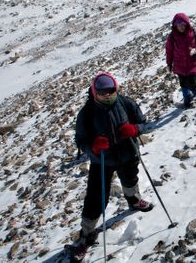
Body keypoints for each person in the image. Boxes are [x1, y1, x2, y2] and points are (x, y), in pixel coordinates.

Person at [71, 72, 153, 260]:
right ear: (94, 92)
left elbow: (142, 122)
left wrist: (134, 129)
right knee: (96, 197)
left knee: (131, 179)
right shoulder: (87, 112)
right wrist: (93, 146)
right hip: (101, 160)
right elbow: (80, 140)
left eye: (110, 91)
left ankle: (134, 200)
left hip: (127, 153)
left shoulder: (126, 103)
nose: (107, 95)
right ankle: (86, 234)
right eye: (101, 93)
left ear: (116, 88)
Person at [166, 13, 196, 108]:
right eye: (178, 24)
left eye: (183, 24)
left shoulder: (194, 32)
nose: (181, 27)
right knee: (183, 84)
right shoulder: (172, 37)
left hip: (192, 64)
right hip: (179, 66)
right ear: (175, 25)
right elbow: (169, 52)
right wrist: (169, 64)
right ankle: (187, 100)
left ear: (186, 24)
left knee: (193, 83)